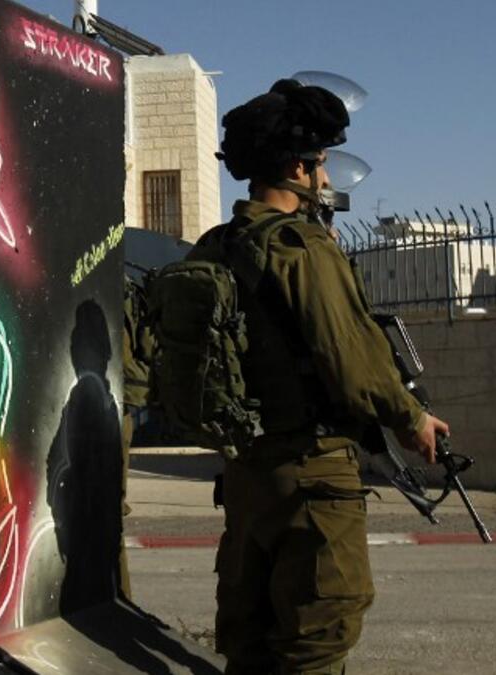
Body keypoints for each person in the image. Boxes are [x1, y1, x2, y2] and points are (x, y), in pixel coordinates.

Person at [189, 79, 450, 674]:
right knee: (316, 640)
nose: (326, 180)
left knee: (251, 643)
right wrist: (411, 419)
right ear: (295, 169)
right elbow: (353, 359)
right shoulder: (302, 249)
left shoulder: (215, 247)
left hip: (247, 476)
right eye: (320, 165)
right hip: (311, 475)